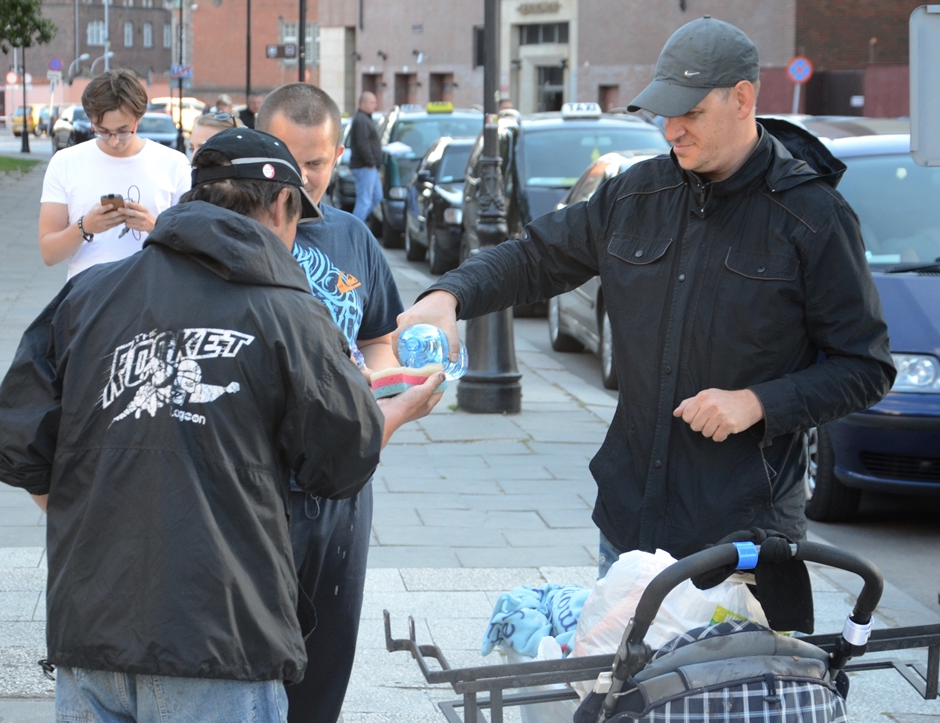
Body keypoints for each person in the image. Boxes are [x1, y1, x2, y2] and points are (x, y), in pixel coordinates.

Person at [397, 16, 896, 576]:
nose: (671, 130)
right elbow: (535, 257)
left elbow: (866, 368)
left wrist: (758, 403)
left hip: (743, 541)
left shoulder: (814, 217)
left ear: (742, 99)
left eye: (690, 113)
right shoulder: (636, 193)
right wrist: (449, 295)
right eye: (664, 112)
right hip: (628, 527)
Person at [0, 127, 441, 722]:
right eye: (295, 221)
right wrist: (394, 412)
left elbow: (19, 447)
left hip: (91, 636)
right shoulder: (292, 314)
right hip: (221, 644)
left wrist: (98, 520)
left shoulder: (87, 295)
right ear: (281, 205)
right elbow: (339, 464)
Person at [257, 83, 410, 723]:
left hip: (342, 488)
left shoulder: (353, 237)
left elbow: (378, 336)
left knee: (327, 654)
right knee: (253, 658)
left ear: (339, 156)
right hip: (257, 483)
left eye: (315, 162)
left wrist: (386, 387)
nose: (300, 177)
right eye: (286, 160)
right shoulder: (234, 238)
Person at [38, 69, 191, 280]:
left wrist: (153, 226)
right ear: (91, 120)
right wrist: (85, 227)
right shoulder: (65, 162)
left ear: (138, 118)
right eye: (102, 131)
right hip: (87, 293)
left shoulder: (174, 164)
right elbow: (49, 253)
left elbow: (190, 250)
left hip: (151, 293)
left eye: (123, 131)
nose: (113, 141)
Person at [349, 90, 383, 223]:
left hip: (369, 167)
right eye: (372, 103)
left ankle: (358, 224)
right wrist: (371, 162)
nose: (375, 106)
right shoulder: (361, 120)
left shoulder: (365, 119)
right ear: (362, 104)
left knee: (377, 196)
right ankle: (354, 228)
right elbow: (362, 143)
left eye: (375, 103)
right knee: (364, 200)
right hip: (365, 166)